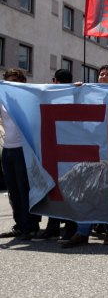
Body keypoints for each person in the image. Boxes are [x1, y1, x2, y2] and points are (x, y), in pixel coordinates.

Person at [63, 65, 108, 248]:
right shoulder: (89, 96)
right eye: (101, 74)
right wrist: (76, 92)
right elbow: (74, 111)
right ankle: (82, 232)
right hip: (92, 151)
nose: (103, 76)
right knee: (87, 191)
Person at [34, 69, 78, 242]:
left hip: (69, 148)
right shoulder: (49, 95)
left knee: (66, 190)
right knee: (56, 189)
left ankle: (69, 227)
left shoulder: (76, 94)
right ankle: (54, 227)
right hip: (55, 147)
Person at [0, 69, 41, 240]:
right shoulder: (2, 100)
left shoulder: (29, 98)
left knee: (25, 189)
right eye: (8, 80)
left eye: (15, 80)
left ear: (22, 81)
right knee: (13, 191)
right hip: (7, 150)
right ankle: (20, 225)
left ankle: (31, 226)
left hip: (24, 150)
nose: (12, 83)